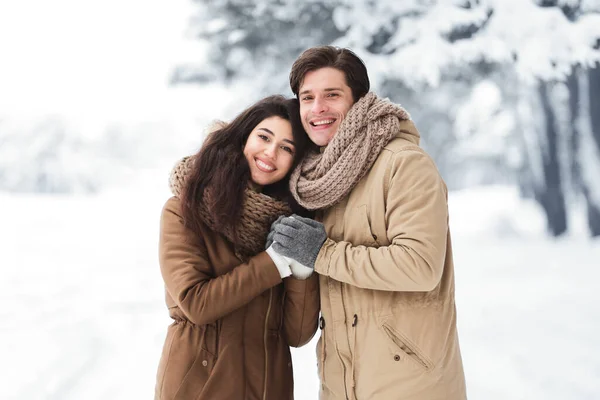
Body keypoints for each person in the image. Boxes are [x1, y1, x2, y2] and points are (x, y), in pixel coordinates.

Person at [267, 46, 467, 399]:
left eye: (332, 95)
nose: (318, 109)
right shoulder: (315, 183)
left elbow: (419, 266)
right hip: (341, 385)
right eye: (307, 98)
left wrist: (322, 253)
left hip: (409, 386)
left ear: (359, 100)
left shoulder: (404, 164)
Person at [155, 95, 320, 400]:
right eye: (264, 137)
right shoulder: (184, 208)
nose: (271, 153)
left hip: (269, 387)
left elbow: (297, 335)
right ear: (243, 136)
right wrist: (274, 262)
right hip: (201, 386)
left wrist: (302, 271)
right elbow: (197, 304)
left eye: (287, 148)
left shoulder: (289, 223)